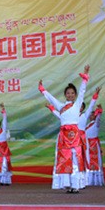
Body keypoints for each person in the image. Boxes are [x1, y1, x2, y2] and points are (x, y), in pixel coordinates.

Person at [39, 65, 91, 193]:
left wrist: (85, 78)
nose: (70, 95)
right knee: (65, 159)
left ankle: (76, 185)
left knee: (75, 160)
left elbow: (82, 91)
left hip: (74, 136)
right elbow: (51, 99)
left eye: (72, 93)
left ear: (75, 95)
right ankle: (67, 184)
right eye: (68, 93)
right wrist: (43, 90)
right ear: (65, 95)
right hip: (63, 136)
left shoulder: (77, 104)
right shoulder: (61, 106)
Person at [85, 104, 105, 186]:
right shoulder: (88, 125)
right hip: (87, 144)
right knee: (88, 161)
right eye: (90, 115)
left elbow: (98, 118)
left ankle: (96, 181)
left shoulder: (96, 124)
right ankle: (88, 180)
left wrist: (99, 111)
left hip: (93, 145)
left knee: (94, 162)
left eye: (93, 115)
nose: (91, 116)